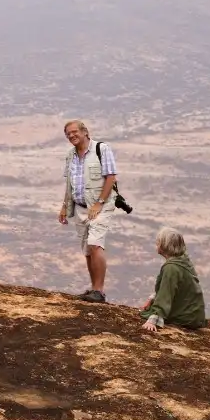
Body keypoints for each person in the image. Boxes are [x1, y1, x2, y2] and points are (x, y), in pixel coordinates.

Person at [58, 119, 117, 303]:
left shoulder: (101, 149)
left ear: (85, 132)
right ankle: (94, 289)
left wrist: (99, 203)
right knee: (87, 249)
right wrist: (65, 205)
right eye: (68, 134)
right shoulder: (70, 155)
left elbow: (111, 178)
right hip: (79, 207)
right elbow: (70, 183)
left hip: (99, 206)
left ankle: (99, 291)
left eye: (74, 132)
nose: (71, 136)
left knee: (95, 244)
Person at [138, 227, 207, 331]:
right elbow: (169, 287)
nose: (157, 244)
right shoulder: (183, 260)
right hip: (194, 315)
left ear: (165, 245)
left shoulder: (171, 268)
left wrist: (152, 320)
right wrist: (152, 299)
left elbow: (166, 293)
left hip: (185, 317)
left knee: (146, 314)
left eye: (159, 241)